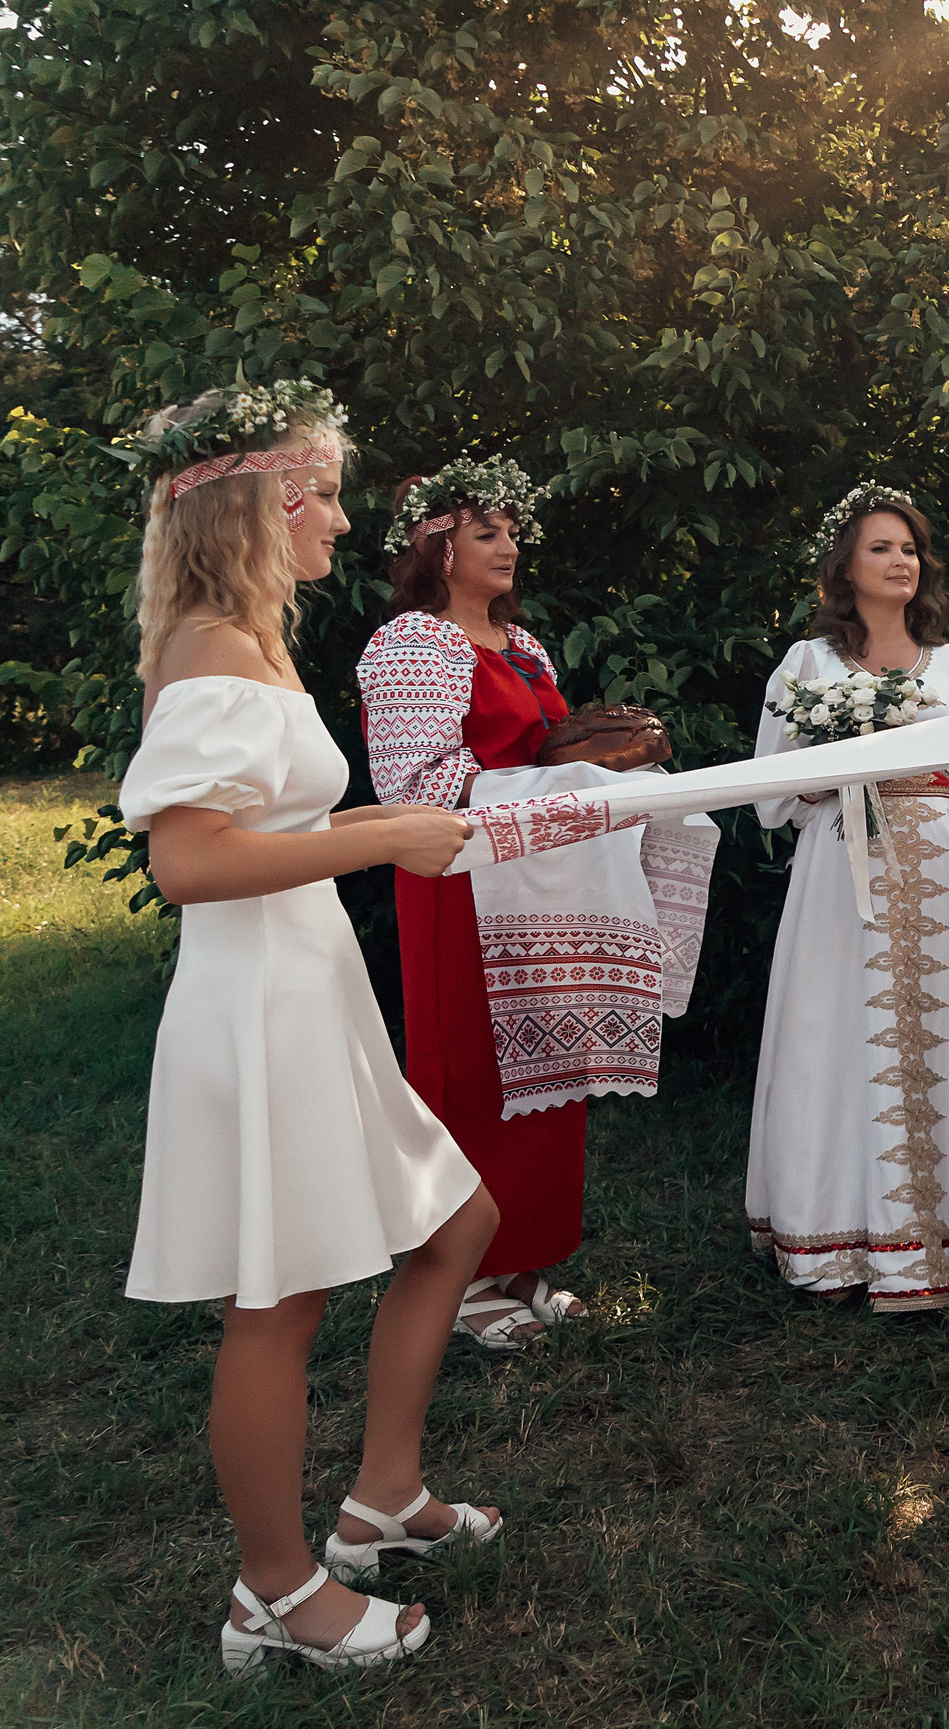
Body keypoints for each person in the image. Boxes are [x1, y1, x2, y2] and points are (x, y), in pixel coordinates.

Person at [117, 382, 503, 1671]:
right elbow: (187, 861)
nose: (343, 519)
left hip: (313, 984)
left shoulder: (253, 641)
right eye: (323, 493)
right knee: (276, 1307)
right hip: (258, 1003)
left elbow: (271, 833)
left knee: (459, 1224)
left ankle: (381, 1497)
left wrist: (390, 836)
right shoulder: (214, 652)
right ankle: (274, 1592)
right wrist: (390, 834)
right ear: (254, 504)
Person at [743, 485, 949, 1307]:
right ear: (845, 566)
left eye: (909, 548)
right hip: (839, 873)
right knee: (832, 1036)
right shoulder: (807, 666)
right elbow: (771, 794)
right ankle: (832, 1237)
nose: (900, 561)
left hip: (935, 863)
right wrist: (843, 763)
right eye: (881, 548)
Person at [359, 458, 590, 1352]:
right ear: (437, 545)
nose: (508, 545)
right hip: (456, 884)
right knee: (474, 1070)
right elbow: (413, 782)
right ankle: (462, 1274)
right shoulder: (414, 644)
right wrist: (547, 779)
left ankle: (523, 1253)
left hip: (537, 885)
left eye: (510, 529)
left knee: (543, 1071)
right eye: (485, 531)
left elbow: (551, 744)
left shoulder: (521, 644)